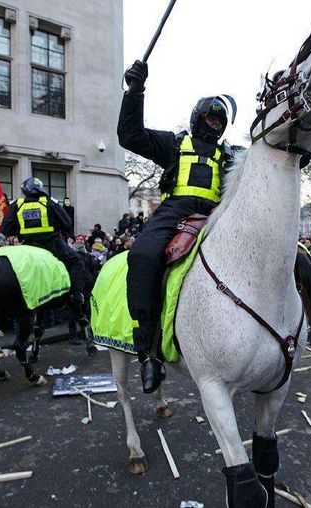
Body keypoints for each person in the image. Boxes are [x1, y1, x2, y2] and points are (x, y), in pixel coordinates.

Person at [118, 59, 235, 393]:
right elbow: (130, 135)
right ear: (198, 118)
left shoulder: (230, 155)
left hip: (216, 213)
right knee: (141, 256)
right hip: (175, 209)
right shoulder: (173, 144)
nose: (215, 123)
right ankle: (148, 354)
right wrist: (135, 91)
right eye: (211, 117)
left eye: (220, 119)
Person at [1, 177, 90, 323]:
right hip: (52, 245)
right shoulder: (49, 202)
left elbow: (4, 228)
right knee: (76, 261)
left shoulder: (17, 204)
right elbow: (67, 223)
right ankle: (77, 294)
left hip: (27, 246)